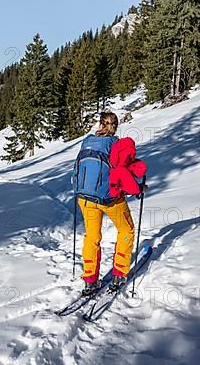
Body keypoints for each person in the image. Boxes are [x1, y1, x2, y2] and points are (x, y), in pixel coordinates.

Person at [74, 112, 147, 296]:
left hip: (84, 197)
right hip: (109, 198)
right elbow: (124, 173)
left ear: (100, 125)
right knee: (126, 229)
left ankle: (90, 280)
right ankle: (119, 274)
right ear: (116, 126)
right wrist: (138, 189)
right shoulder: (116, 145)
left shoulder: (87, 141)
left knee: (92, 237)